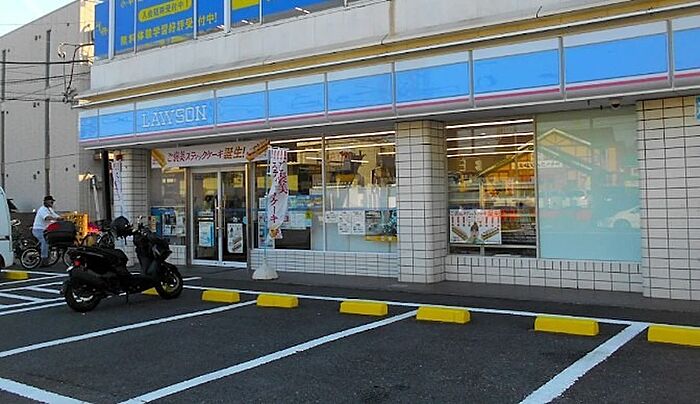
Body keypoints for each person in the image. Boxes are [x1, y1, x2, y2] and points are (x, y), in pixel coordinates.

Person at [32, 195, 61, 266]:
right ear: (46, 201)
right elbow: (47, 218)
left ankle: (47, 254)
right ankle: (43, 259)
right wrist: (56, 219)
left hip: (46, 230)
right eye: (51, 201)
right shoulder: (42, 209)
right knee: (45, 241)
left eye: (52, 201)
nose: (52, 203)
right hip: (38, 229)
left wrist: (63, 218)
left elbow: (56, 216)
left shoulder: (50, 209)